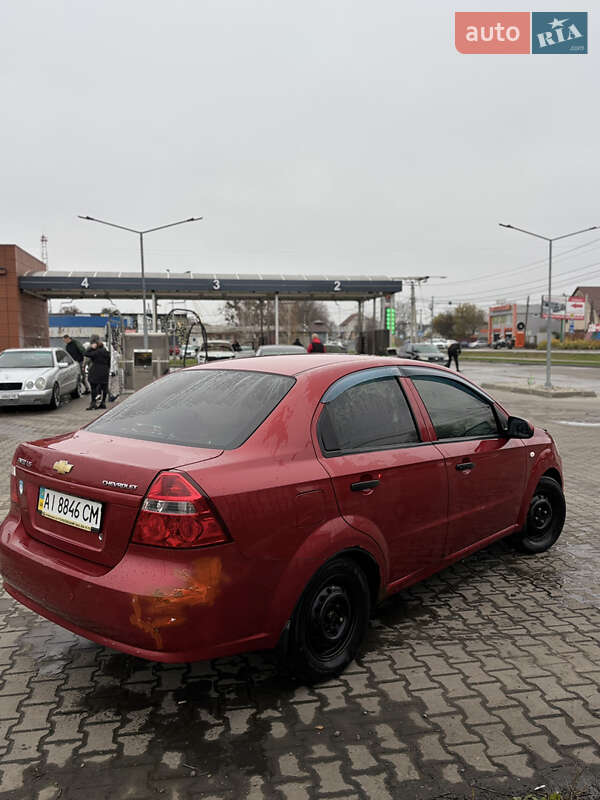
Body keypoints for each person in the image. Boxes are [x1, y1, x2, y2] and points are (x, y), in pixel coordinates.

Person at [84, 339, 111, 409]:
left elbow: (86, 353)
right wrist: (107, 370)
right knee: (104, 388)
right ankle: (103, 402)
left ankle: (93, 403)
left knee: (94, 388)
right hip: (105, 371)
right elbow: (109, 363)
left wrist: (91, 348)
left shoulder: (96, 352)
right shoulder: (107, 353)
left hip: (95, 371)